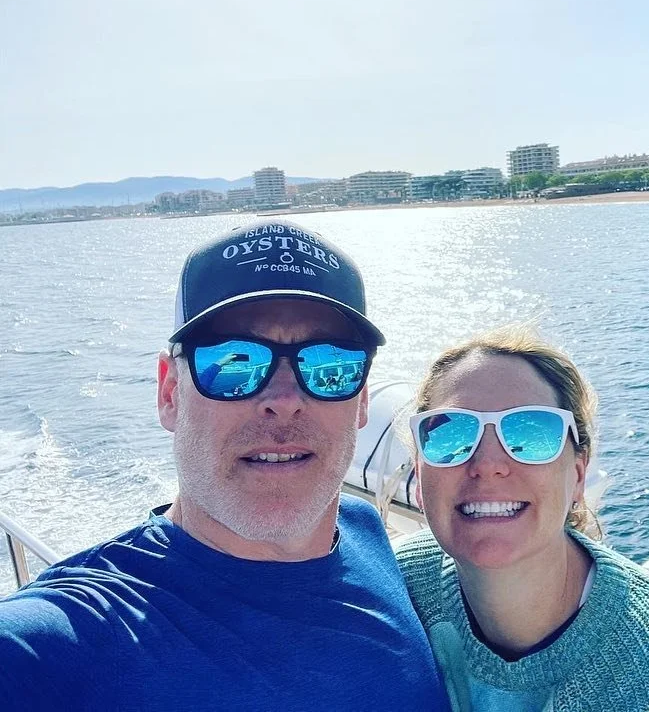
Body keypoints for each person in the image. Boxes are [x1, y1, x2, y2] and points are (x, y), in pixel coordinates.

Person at [0, 219, 451, 712]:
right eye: (236, 362)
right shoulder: (66, 640)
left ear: (361, 400)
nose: (284, 400)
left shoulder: (365, 530)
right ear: (170, 393)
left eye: (329, 365)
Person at [395, 326, 649, 711]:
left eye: (531, 433)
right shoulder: (396, 584)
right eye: (450, 435)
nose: (487, 464)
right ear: (419, 475)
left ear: (578, 476)